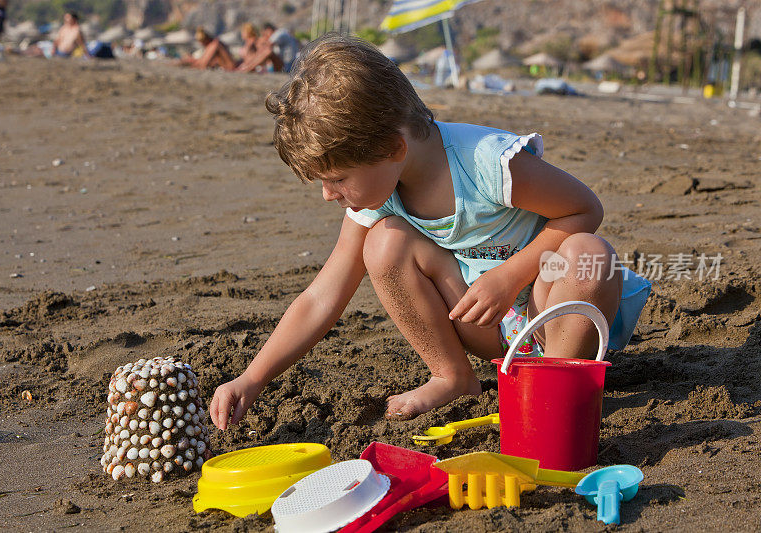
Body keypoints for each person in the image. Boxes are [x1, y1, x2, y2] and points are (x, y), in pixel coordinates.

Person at [209, 35, 651, 428]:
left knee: (587, 251)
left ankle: (556, 396)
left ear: (393, 148)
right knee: (385, 244)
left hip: (559, 312)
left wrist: (510, 276)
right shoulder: (379, 192)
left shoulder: (487, 162)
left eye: (338, 178)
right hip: (490, 329)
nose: (328, 195)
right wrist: (253, 377)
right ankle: (453, 376)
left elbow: (584, 208)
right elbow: (322, 296)